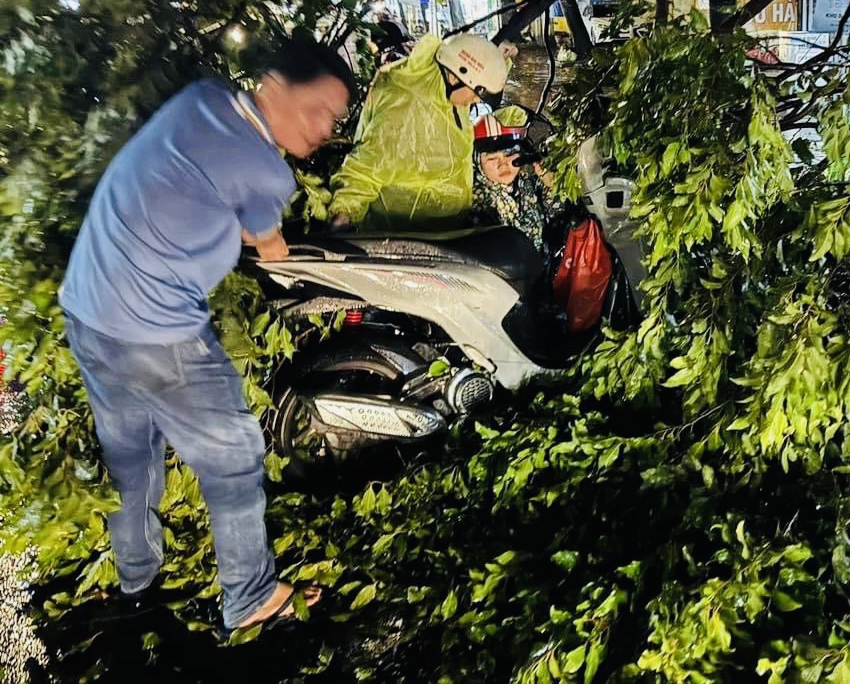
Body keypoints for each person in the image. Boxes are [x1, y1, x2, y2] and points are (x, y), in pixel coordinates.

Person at [59, 37, 357, 633]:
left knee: (133, 457)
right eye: (316, 109)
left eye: (335, 118)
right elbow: (268, 246)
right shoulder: (266, 170)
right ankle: (249, 596)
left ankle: (136, 580)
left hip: (88, 311)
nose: (324, 128)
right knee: (234, 457)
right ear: (273, 85)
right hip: (157, 332)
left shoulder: (203, 98)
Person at [329, 32, 513, 231]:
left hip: (443, 231)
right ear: (454, 76)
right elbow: (365, 168)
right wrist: (343, 218)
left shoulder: (444, 89)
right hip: (409, 238)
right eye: (478, 92)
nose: (477, 100)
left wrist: (499, 58)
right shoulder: (407, 106)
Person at [472, 115, 553, 249]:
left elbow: (554, 215)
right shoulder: (479, 200)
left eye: (509, 153)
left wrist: (549, 187)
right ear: (477, 161)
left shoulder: (526, 180)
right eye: (492, 158)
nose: (502, 165)